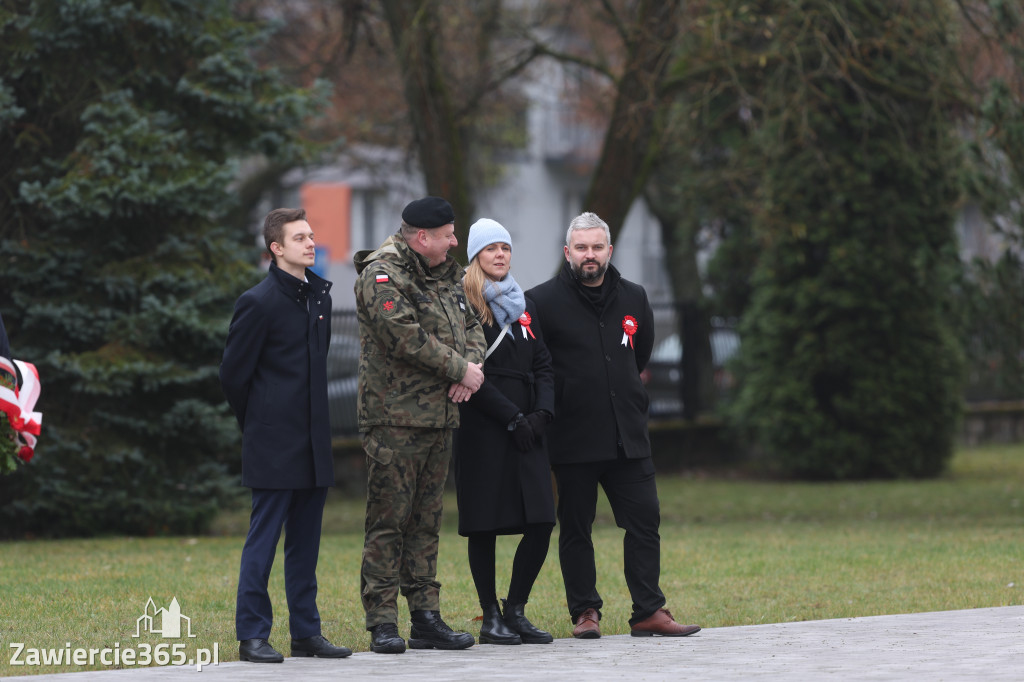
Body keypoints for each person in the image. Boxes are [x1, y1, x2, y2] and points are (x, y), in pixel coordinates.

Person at [526, 211, 701, 639]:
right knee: (576, 528)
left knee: (645, 521)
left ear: (609, 250)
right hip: (572, 435)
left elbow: (638, 355)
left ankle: (648, 611)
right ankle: (585, 612)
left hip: (628, 435)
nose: (590, 255)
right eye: (581, 247)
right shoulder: (541, 301)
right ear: (567, 253)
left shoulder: (635, 297)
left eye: (597, 247)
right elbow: (535, 366)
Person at [353, 196, 486, 654]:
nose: (455, 241)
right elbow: (404, 336)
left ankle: (426, 616)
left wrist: (472, 370)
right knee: (390, 521)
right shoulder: (382, 274)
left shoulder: (445, 273)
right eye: (448, 234)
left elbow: (472, 325)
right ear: (422, 237)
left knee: (427, 522)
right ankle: (383, 621)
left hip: (439, 416)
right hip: (395, 419)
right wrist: (459, 370)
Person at [220, 208, 351, 663]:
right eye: (300, 238)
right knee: (263, 541)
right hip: (273, 443)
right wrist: (260, 423)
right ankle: (252, 635)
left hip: (314, 443)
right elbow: (233, 376)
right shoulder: (257, 302)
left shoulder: (320, 298)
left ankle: (306, 633)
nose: (311, 243)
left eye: (311, 236)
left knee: (306, 545)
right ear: (277, 248)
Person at [454, 219, 556, 646]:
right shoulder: (463, 304)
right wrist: (511, 417)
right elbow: (468, 372)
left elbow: (544, 364)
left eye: (506, 248)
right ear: (476, 255)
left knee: (542, 520)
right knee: (484, 525)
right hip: (484, 428)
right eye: (491, 248)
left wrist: (541, 414)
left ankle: (516, 609)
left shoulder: (523, 305)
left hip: (528, 430)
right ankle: (490, 616)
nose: (500, 255)